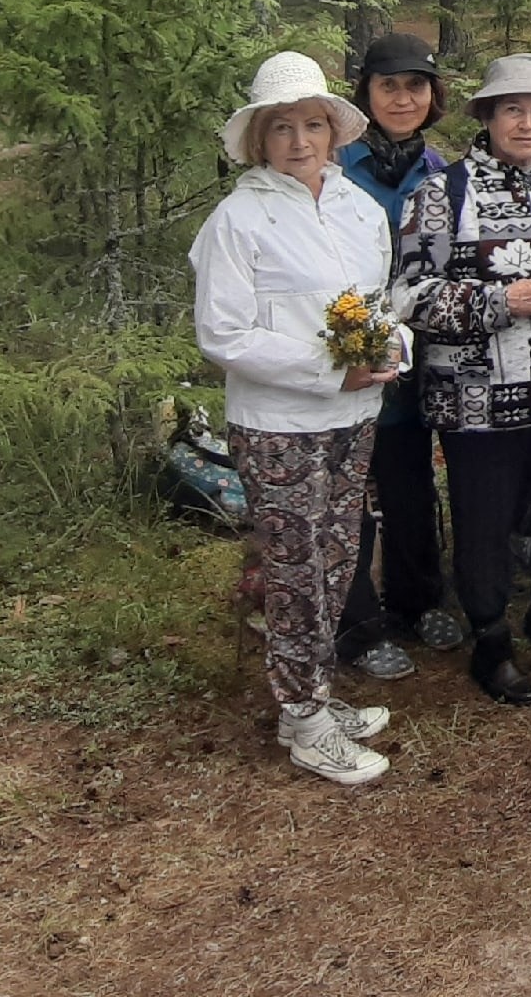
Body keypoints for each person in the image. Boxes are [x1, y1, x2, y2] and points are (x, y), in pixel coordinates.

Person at [190, 52, 403, 786]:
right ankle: (304, 716)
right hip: (280, 422)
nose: (300, 141)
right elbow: (224, 334)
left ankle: (312, 696)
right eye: (282, 128)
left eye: (313, 124)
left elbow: (379, 300)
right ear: (259, 139)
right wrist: (324, 370)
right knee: (294, 570)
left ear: (333, 132)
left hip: (353, 413)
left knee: (339, 556)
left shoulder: (358, 208)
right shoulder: (238, 219)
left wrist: (390, 346)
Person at [393, 53, 531, 706]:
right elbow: (406, 297)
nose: (528, 121)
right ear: (486, 115)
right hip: (474, 400)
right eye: (513, 108)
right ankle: (490, 640)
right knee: (484, 524)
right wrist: (499, 303)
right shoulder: (441, 193)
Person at [332, 32, 465, 674]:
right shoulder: (334, 168)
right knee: (348, 488)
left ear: (433, 95)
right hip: (342, 355)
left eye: (415, 86)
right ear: (366, 93)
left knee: (411, 479)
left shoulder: (443, 175)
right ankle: (356, 620)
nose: (403, 98)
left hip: (417, 355)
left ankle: (416, 599)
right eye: (389, 86)